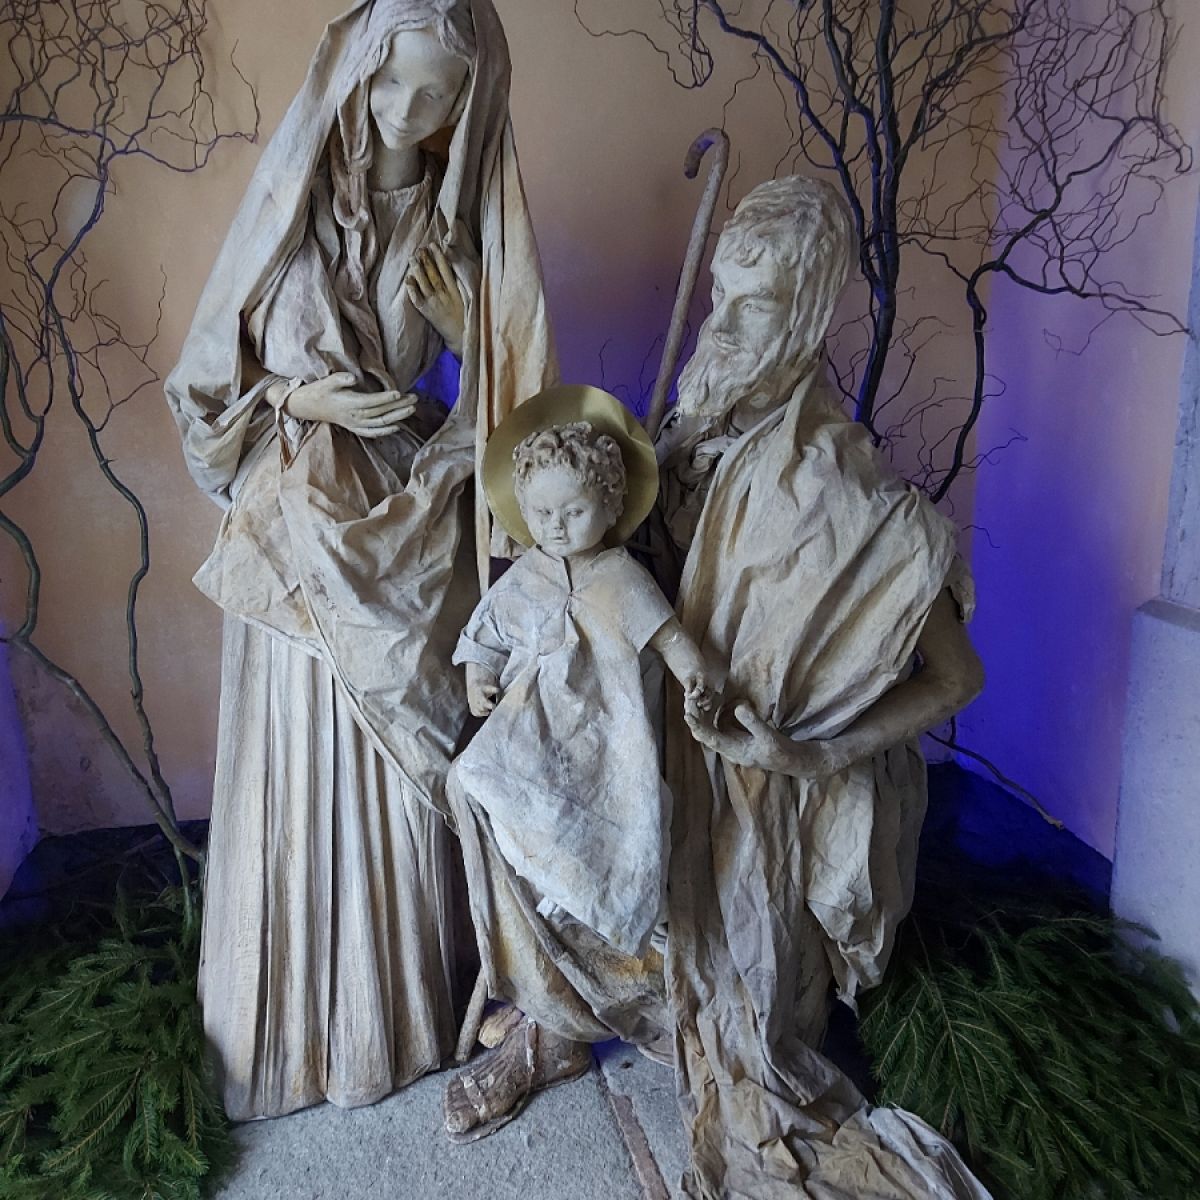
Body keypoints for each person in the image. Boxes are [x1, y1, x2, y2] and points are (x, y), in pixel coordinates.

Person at [445, 177, 992, 1200]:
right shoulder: (691, 432)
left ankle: (609, 1026)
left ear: (810, 313)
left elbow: (957, 676)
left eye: (759, 304)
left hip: (753, 784)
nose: (726, 326)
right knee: (495, 790)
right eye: (721, 298)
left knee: (743, 1047)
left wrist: (807, 752)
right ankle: (558, 1024)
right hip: (641, 723)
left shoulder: (848, 497)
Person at [165, 0, 556, 1121]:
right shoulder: (295, 202)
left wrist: (472, 335)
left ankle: (400, 1012)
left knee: (400, 766)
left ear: (466, 102)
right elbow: (213, 375)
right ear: (359, 73)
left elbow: (506, 398)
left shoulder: (452, 228)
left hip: (402, 512)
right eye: (392, 81)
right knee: (305, 752)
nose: (406, 109)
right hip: (301, 517)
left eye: (436, 92)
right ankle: (290, 1029)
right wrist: (302, 400)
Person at [449, 402, 716, 995]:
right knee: (483, 775)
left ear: (612, 506)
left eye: (574, 511)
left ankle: (620, 906)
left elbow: (669, 636)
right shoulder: (523, 577)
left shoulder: (622, 578)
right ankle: (555, 885)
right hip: (535, 729)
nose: (557, 527)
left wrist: (693, 672)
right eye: (542, 512)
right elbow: (483, 636)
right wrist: (476, 677)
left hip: (609, 730)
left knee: (632, 814)